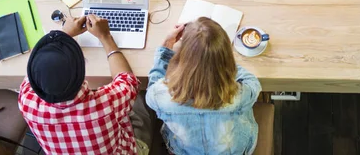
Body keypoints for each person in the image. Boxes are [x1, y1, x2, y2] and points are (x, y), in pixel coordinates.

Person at [18, 14, 152, 155]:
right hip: (124, 149)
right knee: (140, 99)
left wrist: (65, 33)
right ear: (82, 72)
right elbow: (128, 81)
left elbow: (34, 65)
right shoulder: (105, 105)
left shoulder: (27, 102)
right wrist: (105, 37)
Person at [146, 17, 261, 155]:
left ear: (184, 56)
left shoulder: (161, 95)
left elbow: (152, 87)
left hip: (184, 151)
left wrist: (166, 45)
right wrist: (220, 62)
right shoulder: (237, 95)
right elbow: (253, 83)